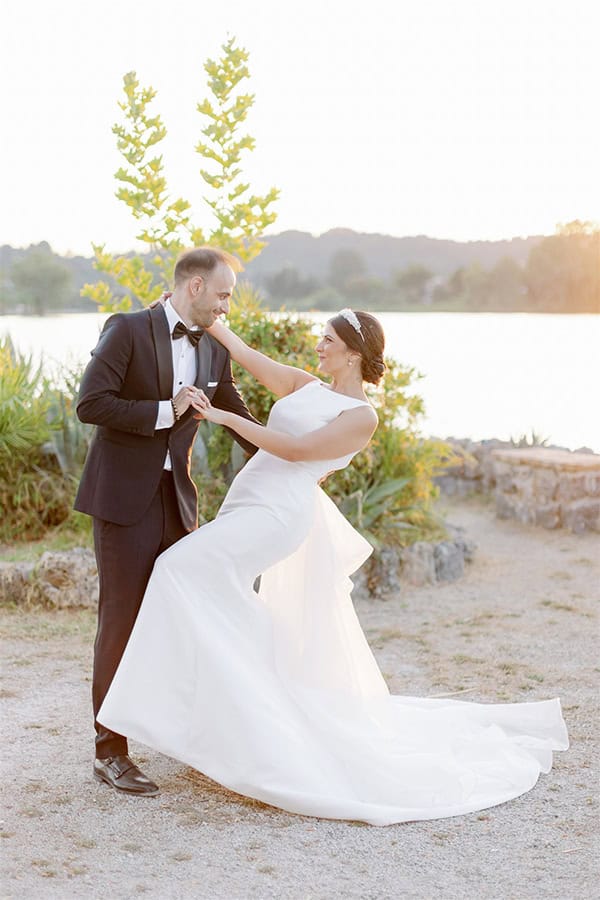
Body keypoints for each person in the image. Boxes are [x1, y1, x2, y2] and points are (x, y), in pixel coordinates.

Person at [97, 308, 568, 825]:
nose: (318, 345)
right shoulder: (305, 386)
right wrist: (204, 315)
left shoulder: (361, 417)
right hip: (250, 500)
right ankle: (230, 701)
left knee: (177, 570)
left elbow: (298, 451)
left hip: (278, 513)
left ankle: (247, 686)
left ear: (353, 353)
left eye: (327, 339)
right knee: (203, 585)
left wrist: (225, 418)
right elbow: (246, 355)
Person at [74, 247, 259, 796]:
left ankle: (183, 733)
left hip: (177, 500)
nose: (226, 307)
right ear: (194, 286)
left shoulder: (214, 344)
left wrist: (288, 460)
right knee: (121, 622)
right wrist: (166, 409)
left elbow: (234, 410)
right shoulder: (128, 328)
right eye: (222, 295)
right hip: (122, 501)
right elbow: (91, 404)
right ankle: (110, 752)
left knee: (184, 616)